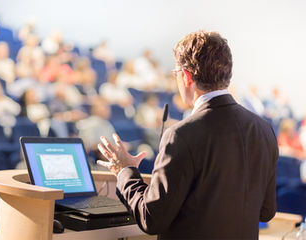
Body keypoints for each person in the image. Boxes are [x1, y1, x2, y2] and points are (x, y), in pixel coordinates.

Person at [97, 30, 278, 239]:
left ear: (186, 76)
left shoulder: (181, 135)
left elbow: (152, 218)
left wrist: (124, 171)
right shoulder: (264, 130)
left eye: (176, 74)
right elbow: (266, 211)